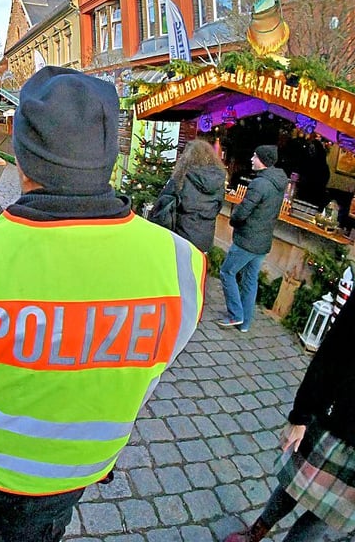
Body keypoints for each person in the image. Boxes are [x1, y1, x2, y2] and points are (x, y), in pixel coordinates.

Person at [0, 66, 206, 542]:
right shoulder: (180, 265)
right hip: (72, 469)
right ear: (109, 155)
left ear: (20, 158)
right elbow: (151, 369)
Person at [225, 296, 355, 542]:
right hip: (335, 420)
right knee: (292, 485)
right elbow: (333, 350)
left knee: (328, 514)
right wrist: (301, 415)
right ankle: (256, 533)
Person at [217, 145, 286, 333]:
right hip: (262, 242)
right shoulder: (279, 183)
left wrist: (233, 220)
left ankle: (235, 314)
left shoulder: (260, 184)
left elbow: (243, 211)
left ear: (262, 160)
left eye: (254, 156)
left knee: (226, 272)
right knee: (250, 280)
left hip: (247, 240)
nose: (251, 159)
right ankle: (245, 323)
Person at [150, 139, 226, 252]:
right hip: (205, 240)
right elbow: (218, 207)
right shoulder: (219, 180)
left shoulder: (181, 178)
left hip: (182, 238)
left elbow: (163, 204)